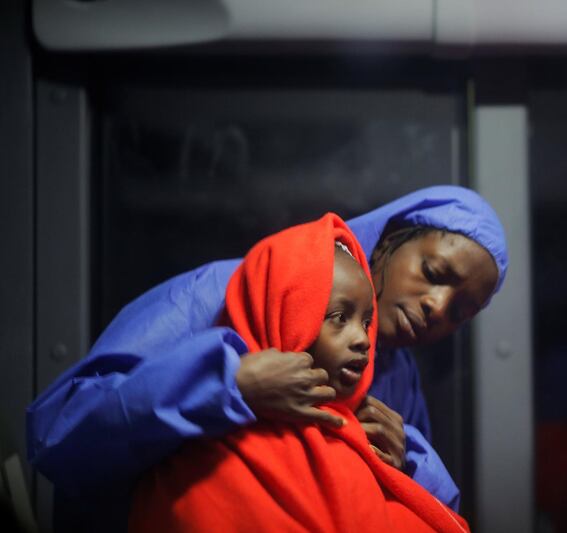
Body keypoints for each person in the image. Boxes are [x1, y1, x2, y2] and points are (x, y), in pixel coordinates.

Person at [27, 185, 507, 530]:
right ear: (389, 238)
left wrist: (410, 462)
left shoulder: (397, 377)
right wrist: (228, 386)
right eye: (433, 271)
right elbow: (60, 431)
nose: (438, 307)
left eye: (463, 312)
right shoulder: (227, 294)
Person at [129, 212, 469, 532]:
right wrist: (231, 386)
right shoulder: (199, 463)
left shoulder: (356, 446)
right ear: (285, 311)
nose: (364, 340)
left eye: (368, 322)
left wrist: (405, 466)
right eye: (339, 317)